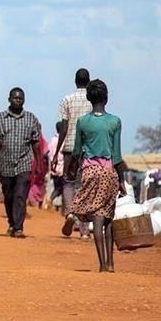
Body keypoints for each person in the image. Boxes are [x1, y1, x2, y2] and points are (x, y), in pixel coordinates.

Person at [62, 80, 125, 272]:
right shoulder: (115, 121)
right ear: (106, 97)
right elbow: (117, 155)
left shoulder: (83, 122)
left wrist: (71, 169)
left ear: (89, 98)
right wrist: (121, 181)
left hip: (90, 171)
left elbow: (77, 151)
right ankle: (112, 263)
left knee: (96, 218)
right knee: (107, 219)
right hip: (108, 172)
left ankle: (102, 264)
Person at [0, 87, 42, 238]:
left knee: (20, 195)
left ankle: (19, 227)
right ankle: (12, 223)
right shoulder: (0, 118)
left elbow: (35, 143)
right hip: (5, 163)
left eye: (20, 98)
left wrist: (38, 163)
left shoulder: (31, 119)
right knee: (9, 196)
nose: (18, 101)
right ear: (9, 99)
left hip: (24, 162)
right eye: (15, 98)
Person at [53, 68, 93, 237]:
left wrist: (57, 152)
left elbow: (63, 128)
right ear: (88, 81)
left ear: (75, 81)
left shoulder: (67, 100)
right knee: (85, 186)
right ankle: (84, 231)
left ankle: (70, 213)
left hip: (69, 147)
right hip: (89, 149)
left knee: (68, 182)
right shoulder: (93, 100)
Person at [28, 134, 50, 208]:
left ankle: (35, 205)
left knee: (32, 184)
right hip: (40, 167)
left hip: (34, 166)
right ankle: (37, 204)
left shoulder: (29, 139)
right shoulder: (43, 142)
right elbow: (46, 154)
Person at [48, 121, 66, 210]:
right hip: (61, 168)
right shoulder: (63, 141)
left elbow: (49, 153)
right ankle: (50, 201)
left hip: (54, 168)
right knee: (63, 188)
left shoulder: (52, 139)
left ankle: (51, 202)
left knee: (58, 188)